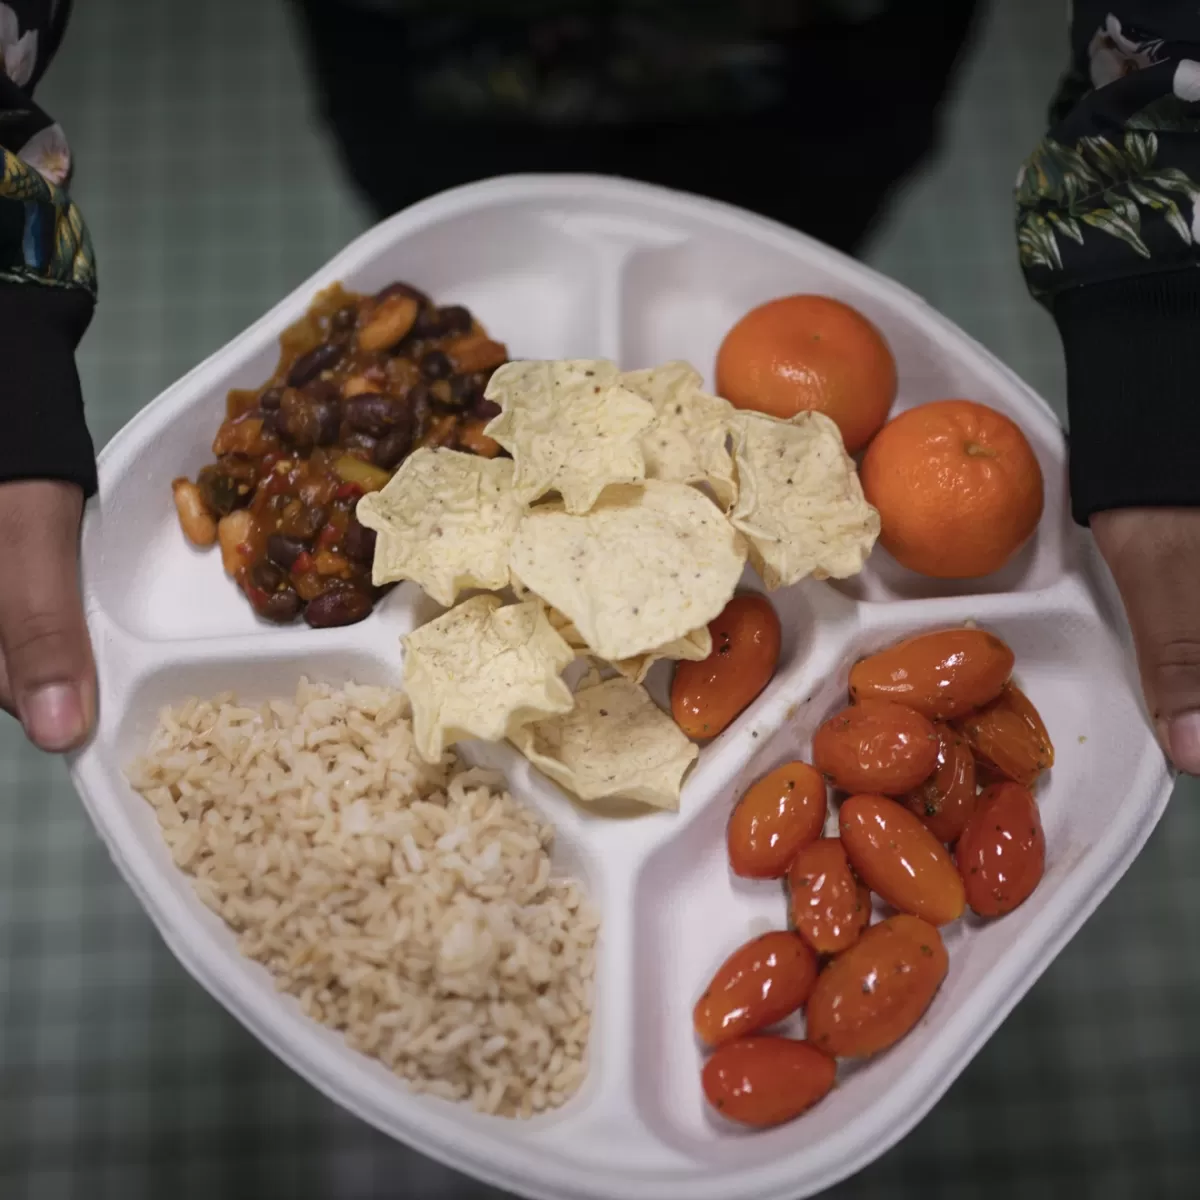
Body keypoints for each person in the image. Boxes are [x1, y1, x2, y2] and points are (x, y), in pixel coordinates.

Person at [1, 0, 1198, 774]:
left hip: (831, 65)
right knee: (425, 185)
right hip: (436, 63)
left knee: (806, 230)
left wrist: (1164, 280)